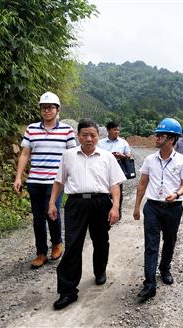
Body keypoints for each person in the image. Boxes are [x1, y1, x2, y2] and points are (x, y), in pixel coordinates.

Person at [47, 119, 126, 310]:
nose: (89, 139)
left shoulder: (107, 157)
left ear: (98, 136)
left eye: (93, 135)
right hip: (76, 203)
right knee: (73, 244)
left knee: (100, 240)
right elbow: (59, 181)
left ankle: (100, 270)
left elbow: (115, 185)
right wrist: (52, 203)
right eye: (85, 135)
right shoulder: (68, 155)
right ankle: (67, 291)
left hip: (101, 202)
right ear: (77, 135)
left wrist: (115, 207)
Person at [13, 91, 77, 269]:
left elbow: (72, 156)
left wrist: (71, 178)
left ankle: (57, 243)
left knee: (52, 212)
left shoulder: (67, 130)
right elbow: (25, 154)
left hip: (55, 181)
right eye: (44, 108)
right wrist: (18, 177)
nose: (47, 110)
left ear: (58, 109)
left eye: (51, 107)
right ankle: (41, 253)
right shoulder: (32, 129)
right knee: (38, 218)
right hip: (35, 180)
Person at [133, 118, 183, 302]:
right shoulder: (150, 160)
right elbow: (142, 184)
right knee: (151, 245)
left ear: (172, 139)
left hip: (173, 207)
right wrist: (137, 207)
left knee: (169, 240)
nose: (156, 138)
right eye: (157, 134)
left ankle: (165, 268)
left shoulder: (182, 161)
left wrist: (176, 194)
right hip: (152, 207)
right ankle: (149, 284)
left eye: (161, 135)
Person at [98, 121, 132, 219]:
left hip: (119, 168)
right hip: (104, 169)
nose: (117, 132)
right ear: (108, 130)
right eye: (114, 130)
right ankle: (106, 211)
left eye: (118, 130)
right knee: (104, 191)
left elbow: (129, 156)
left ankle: (118, 210)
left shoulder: (123, 142)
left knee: (118, 191)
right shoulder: (100, 143)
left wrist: (122, 155)